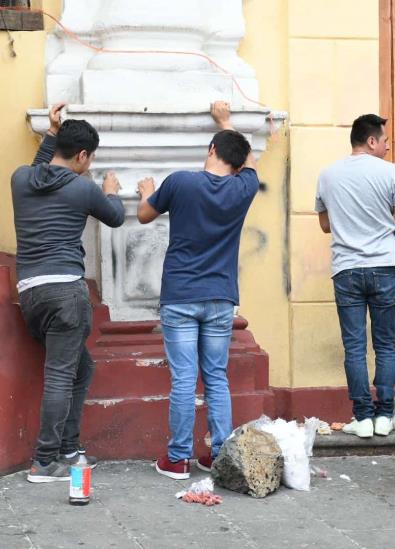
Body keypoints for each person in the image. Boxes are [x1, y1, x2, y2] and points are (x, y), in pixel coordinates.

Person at [136, 101, 258, 480]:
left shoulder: (180, 182)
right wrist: (227, 122)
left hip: (181, 295)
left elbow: (144, 215)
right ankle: (220, 455)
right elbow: (251, 164)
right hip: (221, 297)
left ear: (210, 150)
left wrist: (146, 191)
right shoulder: (245, 187)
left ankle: (177, 458)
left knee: (184, 380)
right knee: (217, 376)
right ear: (238, 164)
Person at [12, 103, 125, 483]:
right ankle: (45, 461)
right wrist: (110, 192)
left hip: (30, 292)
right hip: (66, 292)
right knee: (61, 373)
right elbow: (115, 217)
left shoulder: (19, 180)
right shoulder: (83, 188)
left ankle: (69, 447)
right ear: (82, 155)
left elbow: (40, 170)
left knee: (81, 367)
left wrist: (50, 134)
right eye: (89, 160)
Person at [315, 114, 395, 438]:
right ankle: (385, 414)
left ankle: (362, 418)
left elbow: (325, 225)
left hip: (346, 268)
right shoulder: (390, 173)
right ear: (371, 141)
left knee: (354, 347)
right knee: (385, 345)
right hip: (385, 265)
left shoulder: (327, 174)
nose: (387, 146)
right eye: (384, 140)